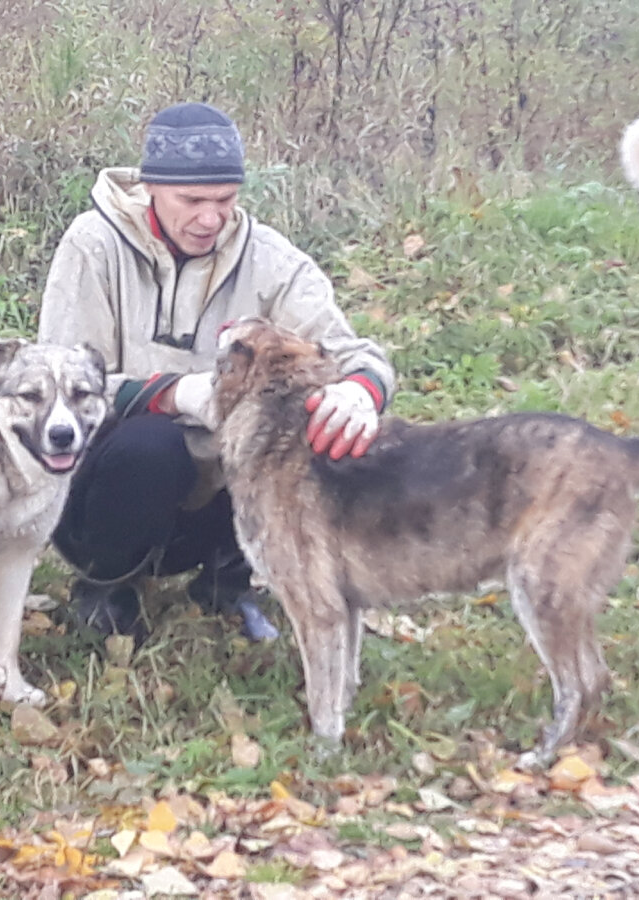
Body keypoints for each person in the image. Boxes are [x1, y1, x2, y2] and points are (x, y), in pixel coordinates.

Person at [37, 101, 395, 642]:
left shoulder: (269, 257)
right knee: (152, 446)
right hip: (103, 488)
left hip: (226, 489)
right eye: (193, 200)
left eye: (225, 200)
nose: (211, 218)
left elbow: (354, 354)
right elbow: (58, 385)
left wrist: (359, 393)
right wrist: (176, 393)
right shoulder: (93, 244)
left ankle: (229, 583)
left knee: (319, 422)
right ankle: (105, 586)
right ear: (150, 187)